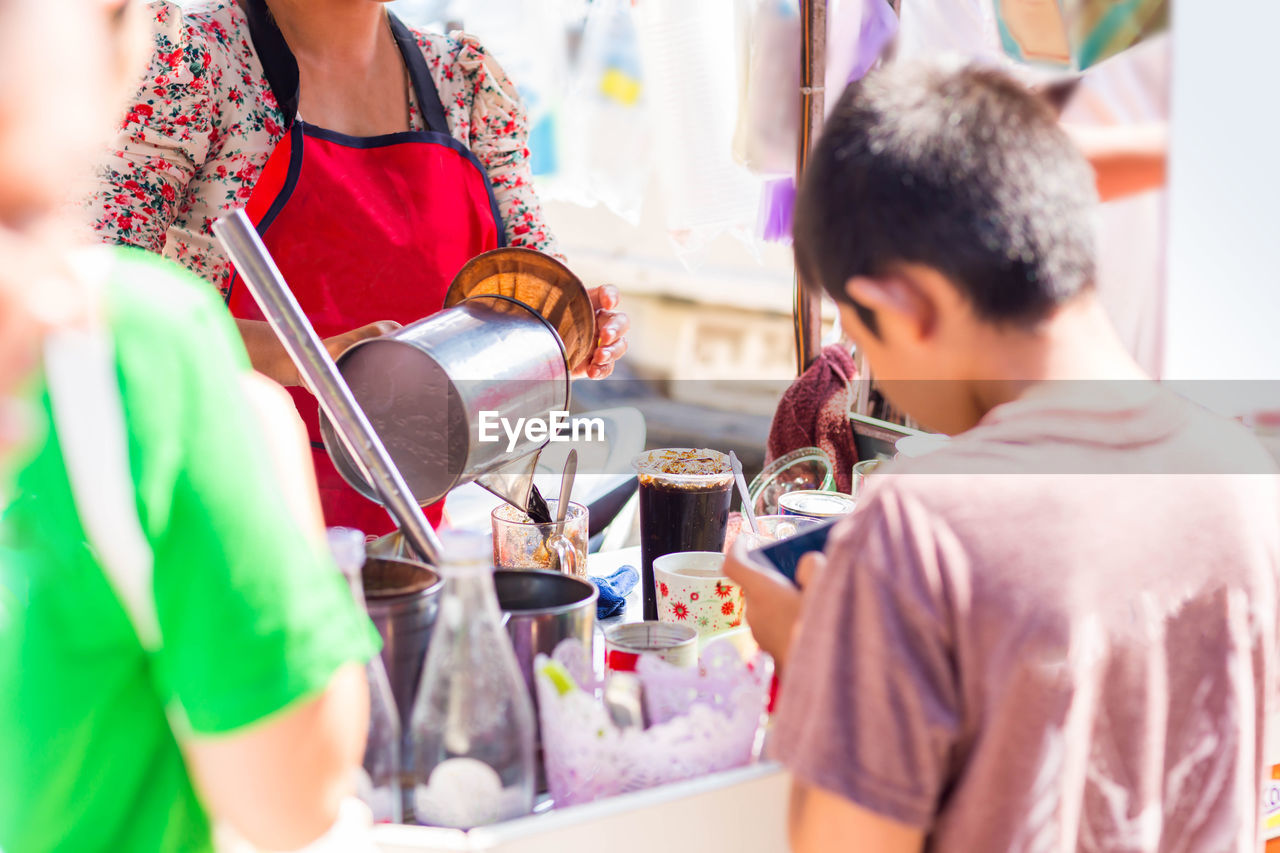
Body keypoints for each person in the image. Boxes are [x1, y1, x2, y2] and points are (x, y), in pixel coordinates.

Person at [725, 63, 1280, 852]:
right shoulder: (1244, 478)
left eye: (862, 329)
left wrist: (819, 663)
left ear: (897, 306)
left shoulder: (917, 529)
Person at [1, 1, 378, 850]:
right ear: (119, 49)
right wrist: (268, 428)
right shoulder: (119, 350)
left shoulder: (457, 80)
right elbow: (293, 799)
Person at [88, 0, 630, 533]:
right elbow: (96, 300)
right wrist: (310, 361)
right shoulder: (190, 68)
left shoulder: (463, 86)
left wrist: (565, 331)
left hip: (426, 529)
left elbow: (533, 279)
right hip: (231, 518)